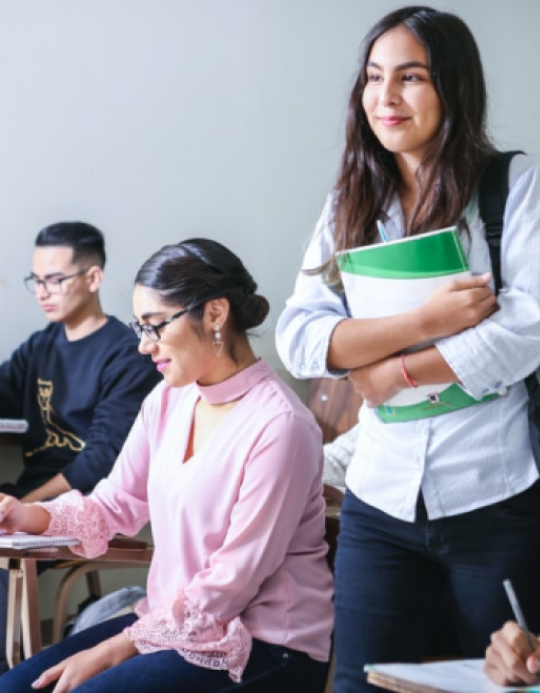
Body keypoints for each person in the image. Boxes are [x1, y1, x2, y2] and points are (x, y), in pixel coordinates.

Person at [275, 6, 540, 692]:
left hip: (495, 495)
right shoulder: (350, 200)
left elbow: (525, 329)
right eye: (373, 78)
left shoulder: (512, 186)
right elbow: (301, 335)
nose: (385, 98)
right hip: (380, 501)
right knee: (361, 685)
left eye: (411, 77)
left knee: (507, 685)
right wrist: (427, 319)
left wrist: (385, 372)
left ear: (454, 88)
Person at [0, 238, 333, 693]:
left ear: (215, 313)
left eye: (155, 326)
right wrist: (26, 515)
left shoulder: (281, 426)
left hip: (267, 644)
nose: (143, 346)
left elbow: (231, 583)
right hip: (173, 629)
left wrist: (109, 651)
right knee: (16, 686)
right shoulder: (169, 398)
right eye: (140, 327)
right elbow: (115, 502)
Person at [0, 221, 161, 674]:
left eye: (56, 280)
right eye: (37, 280)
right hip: (28, 495)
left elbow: (99, 462)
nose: (42, 292)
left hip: (87, 504)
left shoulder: (126, 353)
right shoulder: (40, 346)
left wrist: (23, 509)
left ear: (93, 278)